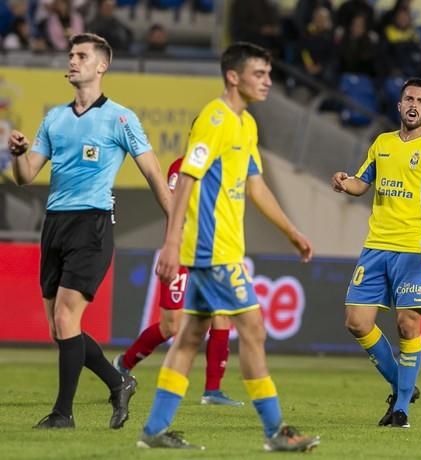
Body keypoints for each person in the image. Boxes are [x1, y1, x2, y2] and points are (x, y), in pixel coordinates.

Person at [137, 42, 320, 452]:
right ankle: (275, 431)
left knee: (188, 338)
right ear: (233, 76)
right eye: (260, 74)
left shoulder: (246, 124)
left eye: (269, 75)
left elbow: (255, 184)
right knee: (253, 328)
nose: (268, 82)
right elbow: (186, 177)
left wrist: (291, 230)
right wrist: (170, 244)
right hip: (210, 251)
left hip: (225, 250)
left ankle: (154, 428)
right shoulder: (215, 119)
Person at [7, 33, 171, 429]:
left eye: (81, 55)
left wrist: (176, 229)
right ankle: (119, 383)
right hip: (55, 225)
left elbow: (152, 173)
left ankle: (63, 414)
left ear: (102, 66)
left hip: (92, 224)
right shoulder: (54, 118)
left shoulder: (120, 118)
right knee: (61, 328)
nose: (73, 60)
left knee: (66, 318)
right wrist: (17, 156)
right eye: (71, 54)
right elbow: (27, 177)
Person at [331, 78, 421, 428]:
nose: (414, 104)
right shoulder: (382, 143)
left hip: (414, 247)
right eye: (409, 98)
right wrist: (345, 182)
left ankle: (400, 408)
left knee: (408, 323)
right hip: (376, 246)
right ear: (400, 106)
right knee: (356, 322)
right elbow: (362, 183)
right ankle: (403, 385)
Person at [112, 157, 242, 407]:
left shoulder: (223, 169)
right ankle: (124, 363)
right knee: (171, 326)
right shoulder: (181, 166)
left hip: (213, 254)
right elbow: (172, 206)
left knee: (221, 315)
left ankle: (213, 390)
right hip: (182, 252)